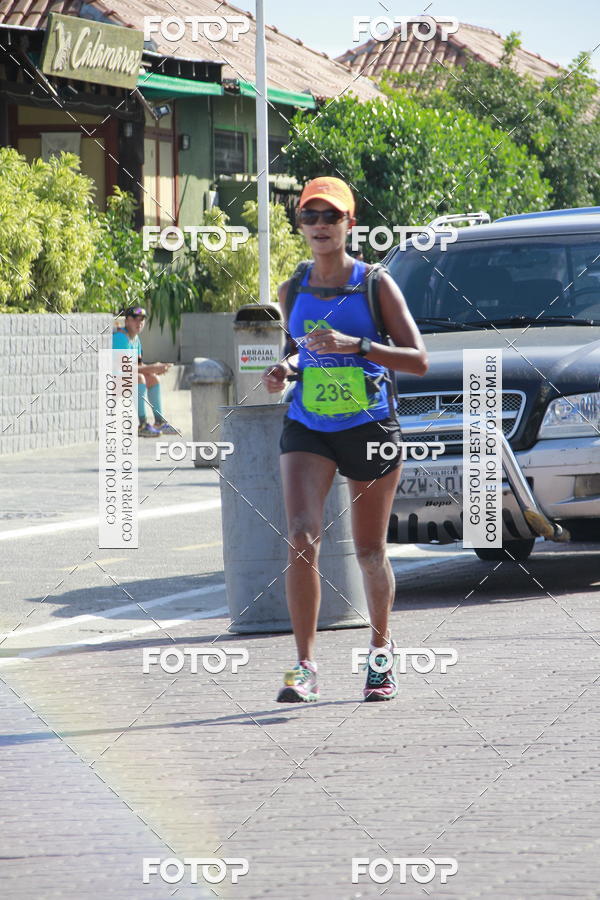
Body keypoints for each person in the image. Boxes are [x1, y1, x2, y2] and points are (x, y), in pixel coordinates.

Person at [261, 176, 428, 703]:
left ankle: (380, 658)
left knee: (369, 550)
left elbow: (419, 360)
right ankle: (304, 666)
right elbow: (302, 352)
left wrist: (357, 345)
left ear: (350, 224)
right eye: (310, 216)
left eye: (330, 217)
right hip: (309, 422)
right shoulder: (292, 289)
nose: (319, 226)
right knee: (300, 535)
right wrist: (284, 368)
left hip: (369, 426)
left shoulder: (376, 284)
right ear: (300, 225)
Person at [112, 306, 178, 437]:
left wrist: (155, 369)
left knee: (152, 378)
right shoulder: (120, 337)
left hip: (124, 379)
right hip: (112, 382)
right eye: (135, 320)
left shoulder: (136, 339)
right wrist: (152, 367)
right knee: (140, 378)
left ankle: (159, 422)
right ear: (127, 322)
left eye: (142, 320)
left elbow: (138, 365)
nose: (139, 323)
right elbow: (125, 368)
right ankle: (141, 425)